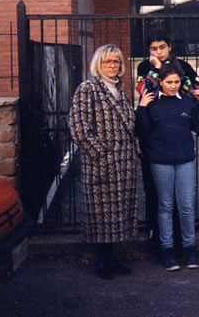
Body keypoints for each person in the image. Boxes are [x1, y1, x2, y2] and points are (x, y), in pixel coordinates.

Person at [69, 44, 139, 280]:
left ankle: (113, 258)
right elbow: (79, 129)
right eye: (108, 61)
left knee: (118, 212)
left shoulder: (122, 90)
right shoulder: (87, 89)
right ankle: (102, 261)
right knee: (102, 214)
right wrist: (102, 154)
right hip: (102, 163)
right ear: (97, 65)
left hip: (124, 163)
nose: (112, 66)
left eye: (116, 62)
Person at [135, 64, 199, 271]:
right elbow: (142, 131)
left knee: (186, 206)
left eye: (177, 82)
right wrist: (141, 107)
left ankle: (189, 247)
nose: (173, 86)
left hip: (184, 159)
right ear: (160, 82)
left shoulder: (187, 102)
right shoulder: (152, 103)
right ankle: (167, 249)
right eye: (169, 82)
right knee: (165, 206)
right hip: (160, 161)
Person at [135, 30, 199, 247]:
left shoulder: (183, 66)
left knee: (180, 197)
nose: (158, 52)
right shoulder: (144, 67)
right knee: (154, 189)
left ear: (170, 46)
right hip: (153, 135)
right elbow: (145, 92)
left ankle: (179, 238)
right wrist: (155, 69)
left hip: (176, 134)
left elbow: (193, 90)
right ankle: (157, 235)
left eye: (162, 47)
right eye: (153, 49)